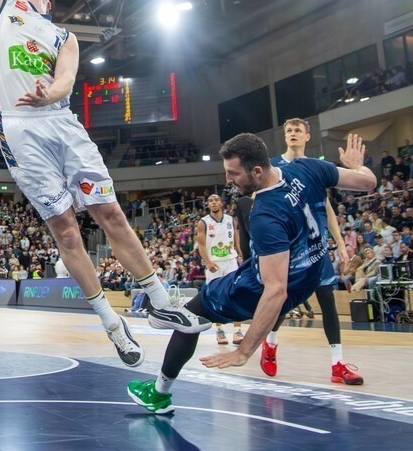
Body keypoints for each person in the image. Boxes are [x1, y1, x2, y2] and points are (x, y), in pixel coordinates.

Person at [0, 0, 210, 365]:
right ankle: (110, 321)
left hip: (58, 120)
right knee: (65, 230)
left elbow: (66, 82)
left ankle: (162, 301)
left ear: (49, 1)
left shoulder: (63, 35)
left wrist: (49, 94)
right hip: (17, 128)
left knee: (111, 213)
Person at [128, 132, 376, 415]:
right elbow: (369, 181)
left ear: (257, 171)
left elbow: (276, 291)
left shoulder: (266, 214)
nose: (229, 180)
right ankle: (185, 322)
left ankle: (158, 393)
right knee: (223, 294)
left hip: (271, 285)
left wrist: (243, 351)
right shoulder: (309, 167)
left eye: (234, 173)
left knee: (193, 313)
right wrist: (356, 165)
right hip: (313, 271)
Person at [262, 118, 362, 385]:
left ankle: (337, 364)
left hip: (316, 244)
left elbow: (326, 207)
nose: (293, 134)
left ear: (308, 136)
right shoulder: (274, 166)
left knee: (327, 299)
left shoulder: (316, 167)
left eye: (298, 130)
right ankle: (270, 344)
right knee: (284, 300)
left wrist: (340, 243)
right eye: (289, 130)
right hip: (289, 247)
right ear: (285, 137)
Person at [197, 194, 243, 345]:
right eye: (210, 201)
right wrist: (208, 262)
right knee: (215, 296)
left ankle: (237, 331)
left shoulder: (231, 220)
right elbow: (201, 245)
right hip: (214, 264)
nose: (214, 203)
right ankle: (220, 331)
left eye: (216, 200)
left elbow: (237, 241)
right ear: (208, 205)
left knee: (235, 294)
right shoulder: (203, 222)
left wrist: (241, 256)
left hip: (230, 261)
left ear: (221, 203)